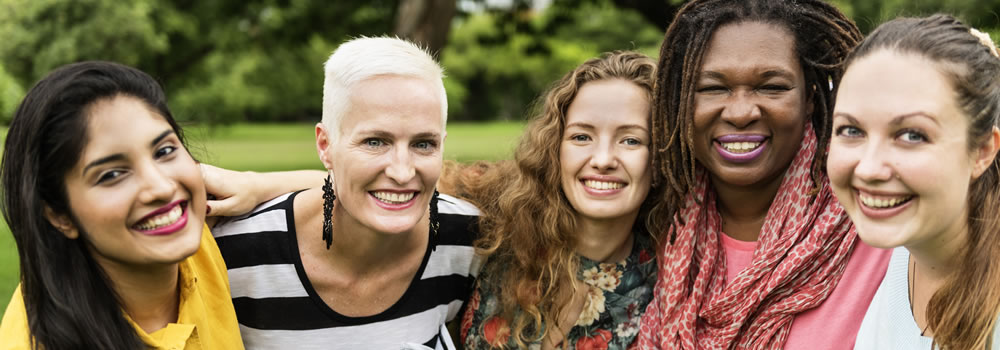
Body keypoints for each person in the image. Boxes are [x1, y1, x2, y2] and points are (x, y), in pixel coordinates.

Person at [636, 0, 891, 348]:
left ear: (810, 98)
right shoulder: (652, 222)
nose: (741, 113)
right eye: (713, 88)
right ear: (681, 101)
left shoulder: (878, 226)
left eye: (772, 87)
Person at [209, 37, 480, 349]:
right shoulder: (235, 253)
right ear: (325, 145)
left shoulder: (469, 239)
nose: (402, 172)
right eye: (375, 142)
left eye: (423, 144)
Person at [0, 61, 243, 349]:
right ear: (60, 215)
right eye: (112, 175)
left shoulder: (190, 231)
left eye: (165, 151)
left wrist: (258, 184)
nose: (163, 188)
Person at [455, 51, 659, 349]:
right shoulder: (489, 228)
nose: (603, 160)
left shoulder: (671, 287)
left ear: (660, 159)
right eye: (582, 137)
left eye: (631, 140)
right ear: (555, 149)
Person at [828, 14, 1000, 350]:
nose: (869, 168)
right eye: (851, 130)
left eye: (912, 135)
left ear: (982, 151)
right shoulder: (891, 252)